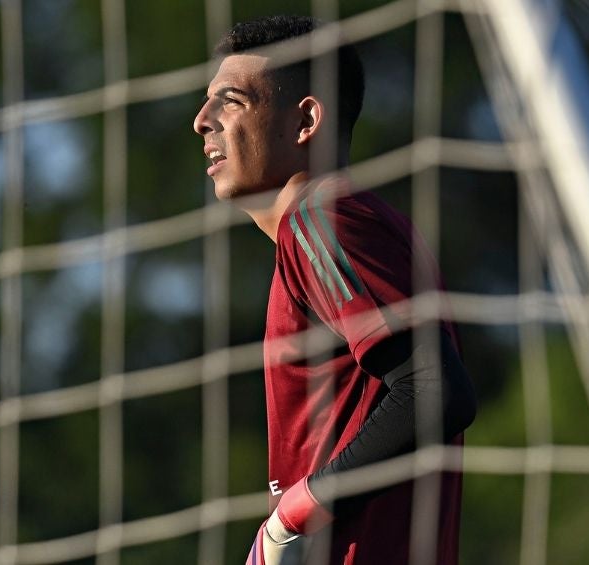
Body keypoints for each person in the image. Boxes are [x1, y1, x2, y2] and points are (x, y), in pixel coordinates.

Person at [192, 15, 477, 565]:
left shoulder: (319, 223)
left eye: (230, 101)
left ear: (305, 121)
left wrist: (292, 514)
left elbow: (434, 390)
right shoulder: (350, 223)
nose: (201, 121)